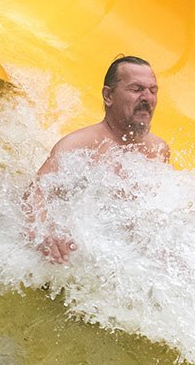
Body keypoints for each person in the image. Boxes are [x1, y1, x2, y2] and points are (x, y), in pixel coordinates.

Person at [28, 55, 171, 263]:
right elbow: (34, 194)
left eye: (153, 90)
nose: (147, 98)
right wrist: (46, 232)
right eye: (136, 89)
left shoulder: (158, 149)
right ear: (108, 96)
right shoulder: (78, 146)